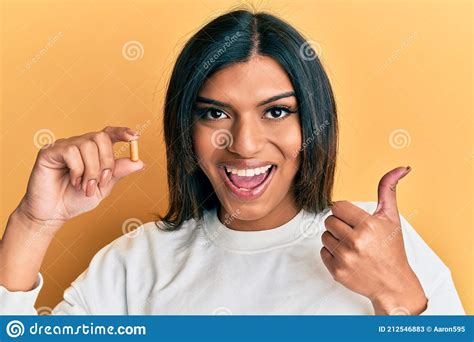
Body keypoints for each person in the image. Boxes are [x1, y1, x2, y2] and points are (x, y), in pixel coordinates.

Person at [0, 9, 465, 315]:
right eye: (215, 113)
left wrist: (398, 292)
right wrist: (33, 223)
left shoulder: (378, 244)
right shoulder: (136, 263)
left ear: (314, 124)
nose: (244, 145)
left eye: (276, 112)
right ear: (187, 127)